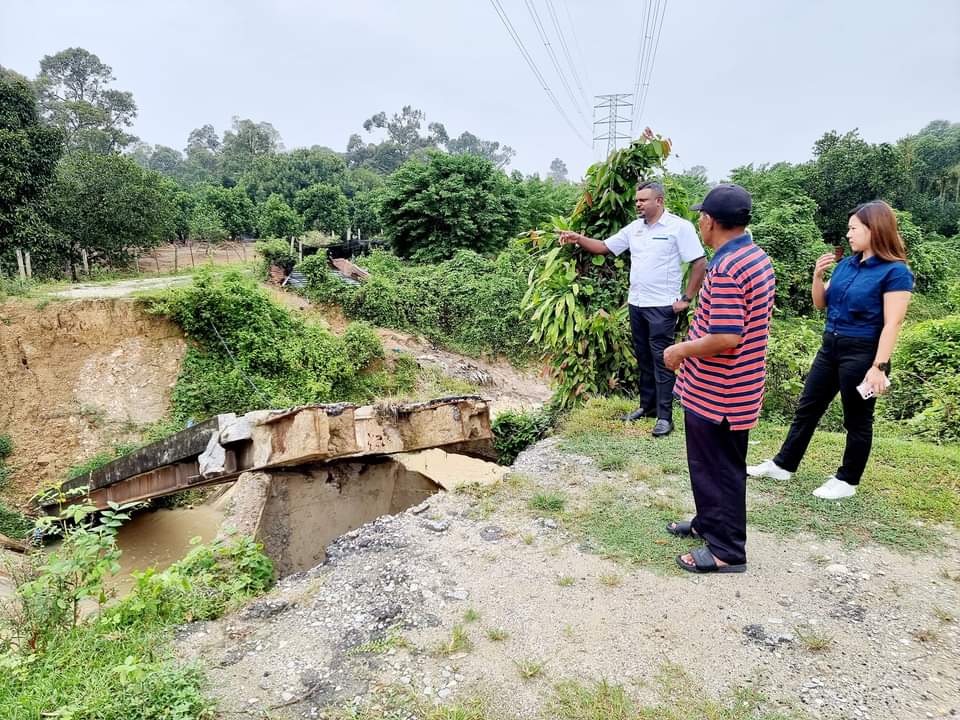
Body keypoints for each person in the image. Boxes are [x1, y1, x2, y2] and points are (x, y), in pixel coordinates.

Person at [747, 200, 913, 500]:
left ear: (874, 229)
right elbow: (821, 304)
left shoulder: (895, 272)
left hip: (863, 351)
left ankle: (847, 480)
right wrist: (818, 277)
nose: (848, 234)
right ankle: (784, 465)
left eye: (853, 228)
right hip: (830, 345)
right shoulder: (848, 264)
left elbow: (894, 323)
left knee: (858, 419)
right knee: (807, 407)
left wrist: (879, 367)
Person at [662, 183, 775, 574]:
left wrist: (679, 350)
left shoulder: (726, 268)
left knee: (718, 469)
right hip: (737, 384)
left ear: (710, 221)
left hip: (719, 391)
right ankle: (709, 523)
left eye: (700, 216)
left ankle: (727, 550)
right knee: (713, 466)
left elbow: (727, 336)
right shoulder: (755, 256)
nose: (699, 222)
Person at [559, 181, 706, 437]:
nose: (637, 204)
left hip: (662, 307)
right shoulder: (634, 229)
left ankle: (664, 417)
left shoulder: (679, 227)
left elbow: (699, 261)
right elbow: (604, 247)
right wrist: (578, 238)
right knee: (644, 358)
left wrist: (687, 298)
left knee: (662, 360)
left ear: (658, 201)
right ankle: (647, 407)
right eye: (637, 200)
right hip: (636, 305)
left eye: (643, 200)